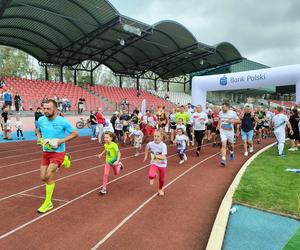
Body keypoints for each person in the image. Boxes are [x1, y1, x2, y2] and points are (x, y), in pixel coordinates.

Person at [36, 99, 78, 213]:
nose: (45, 111)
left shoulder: (62, 121)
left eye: (48, 109)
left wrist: (61, 141)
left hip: (58, 153)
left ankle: (48, 202)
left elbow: (75, 133)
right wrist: (39, 138)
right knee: (43, 178)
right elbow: (38, 129)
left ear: (55, 109)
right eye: (44, 108)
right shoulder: (40, 120)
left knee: (49, 176)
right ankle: (65, 160)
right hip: (46, 153)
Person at [144, 130, 167, 196]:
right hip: (154, 163)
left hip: (162, 164)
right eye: (154, 136)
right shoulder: (150, 144)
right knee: (151, 175)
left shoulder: (163, 145)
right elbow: (146, 148)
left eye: (158, 136)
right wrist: (146, 156)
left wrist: (155, 155)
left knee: (161, 179)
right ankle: (154, 176)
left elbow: (164, 157)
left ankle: (160, 189)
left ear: (161, 137)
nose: (156, 138)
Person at [218, 102, 240, 166]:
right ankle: (223, 159)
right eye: (222, 107)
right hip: (223, 131)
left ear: (228, 107)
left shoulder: (233, 113)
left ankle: (232, 152)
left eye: (223, 107)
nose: (222, 108)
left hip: (230, 132)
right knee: (224, 145)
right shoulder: (220, 113)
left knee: (231, 145)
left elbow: (239, 121)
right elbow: (220, 118)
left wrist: (232, 121)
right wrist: (218, 125)